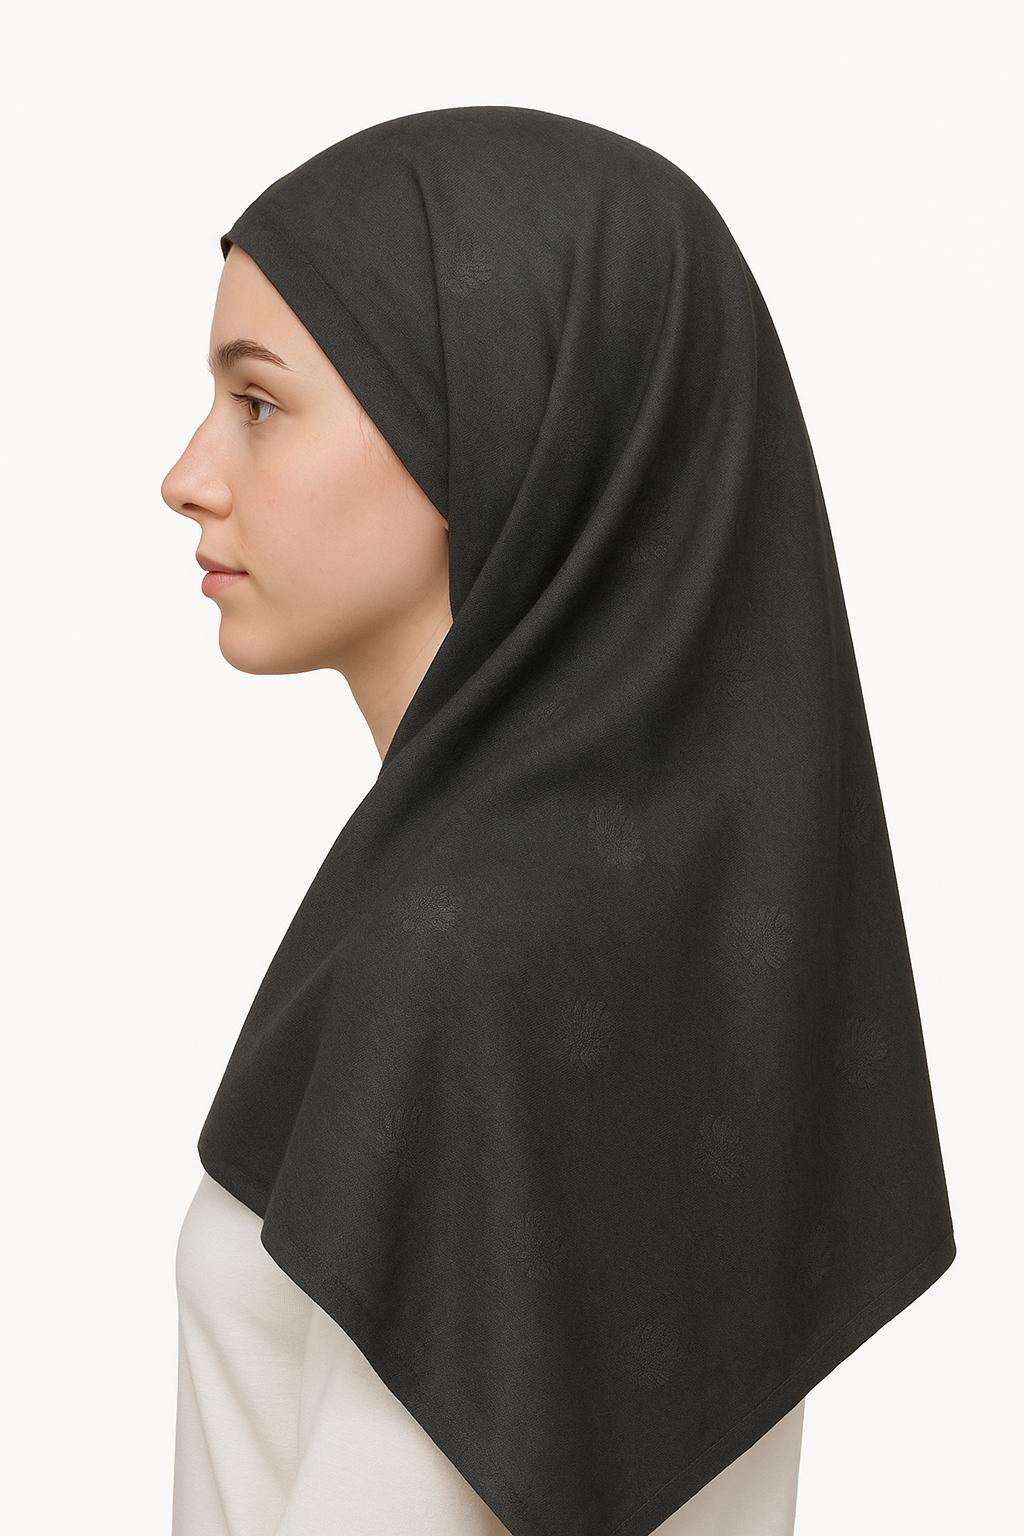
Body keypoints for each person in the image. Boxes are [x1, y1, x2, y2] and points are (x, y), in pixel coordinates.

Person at [161, 105, 954, 1536]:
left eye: (259, 404)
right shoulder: (676, 922)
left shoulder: (466, 967)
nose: (189, 476)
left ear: (501, 416)